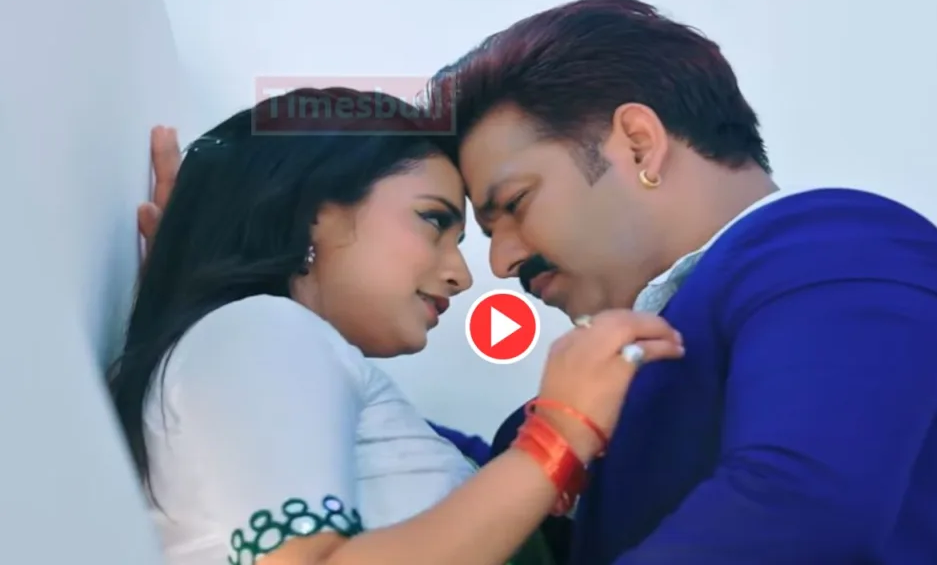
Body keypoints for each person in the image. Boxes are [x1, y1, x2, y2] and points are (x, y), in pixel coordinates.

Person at [423, 0, 937, 565]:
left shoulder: (837, 246)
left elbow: (793, 504)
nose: (501, 262)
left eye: (516, 204)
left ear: (638, 145)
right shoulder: (590, 396)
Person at [111, 87, 684, 565]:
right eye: (432, 219)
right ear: (311, 212)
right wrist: (558, 435)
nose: (462, 275)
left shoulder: (258, 347)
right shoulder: (262, 329)